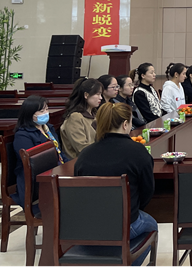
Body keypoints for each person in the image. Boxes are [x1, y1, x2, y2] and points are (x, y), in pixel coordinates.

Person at [75, 103, 156, 267]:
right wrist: (135, 209)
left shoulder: (85, 155)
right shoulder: (138, 152)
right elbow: (148, 190)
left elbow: (79, 192)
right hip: (125, 224)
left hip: (87, 227)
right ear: (125, 124)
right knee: (152, 225)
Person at [13, 96, 69, 210]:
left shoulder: (49, 129)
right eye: (41, 111)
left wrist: (69, 165)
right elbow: (32, 162)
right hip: (37, 178)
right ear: (30, 114)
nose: (46, 113)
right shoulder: (23, 135)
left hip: (55, 170)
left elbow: (59, 152)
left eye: (47, 109)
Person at [60, 78, 103, 158]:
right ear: (86, 95)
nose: (101, 98)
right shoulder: (75, 117)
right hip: (79, 161)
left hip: (95, 156)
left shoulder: (95, 113)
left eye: (101, 94)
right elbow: (81, 148)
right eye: (97, 94)